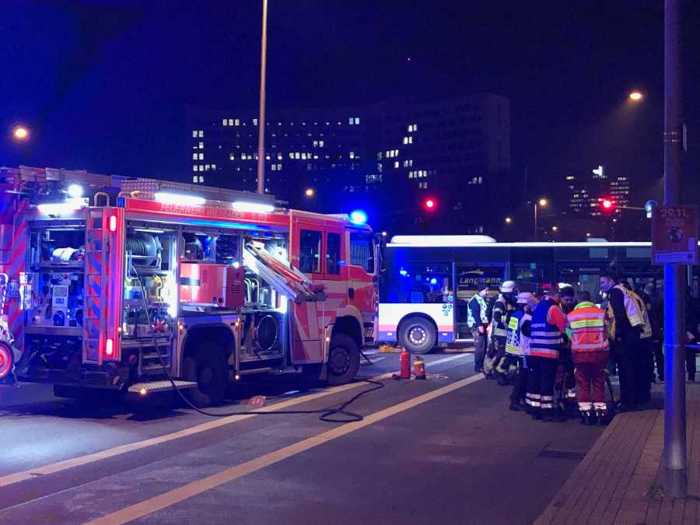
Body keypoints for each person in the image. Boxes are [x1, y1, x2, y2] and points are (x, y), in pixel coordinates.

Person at [601, 273, 644, 412]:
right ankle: (630, 399)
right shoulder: (624, 291)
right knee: (630, 369)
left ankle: (627, 402)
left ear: (611, 280)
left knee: (625, 371)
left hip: (625, 337)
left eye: (603, 282)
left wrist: (617, 336)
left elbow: (619, 315)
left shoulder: (615, 292)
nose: (601, 285)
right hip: (633, 334)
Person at [567, 291, 610, 425]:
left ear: (578, 300)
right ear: (590, 299)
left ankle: (585, 414)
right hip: (599, 353)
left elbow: (569, 334)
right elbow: (607, 331)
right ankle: (600, 413)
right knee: (598, 382)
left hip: (579, 354)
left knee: (583, 383)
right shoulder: (601, 313)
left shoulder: (571, 316)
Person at [528, 286, 567, 421]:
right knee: (547, 381)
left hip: (534, 351)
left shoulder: (538, 307)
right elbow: (564, 327)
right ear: (556, 296)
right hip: (549, 351)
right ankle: (547, 411)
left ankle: (534, 409)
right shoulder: (554, 308)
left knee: (535, 380)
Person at [622, 281, 653, 405]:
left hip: (640, 338)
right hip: (644, 338)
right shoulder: (638, 298)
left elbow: (634, 321)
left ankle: (639, 398)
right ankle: (643, 396)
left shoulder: (631, 299)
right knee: (643, 370)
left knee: (638, 369)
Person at [504, 292, 536, 410]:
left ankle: (518, 398)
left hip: (514, 349)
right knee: (523, 376)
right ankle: (515, 399)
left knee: (522, 375)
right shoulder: (525, 317)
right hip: (523, 351)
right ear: (526, 305)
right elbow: (528, 334)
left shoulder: (515, 314)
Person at [490, 280, 516, 382]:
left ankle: (495, 370)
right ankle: (498, 371)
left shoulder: (508, 301)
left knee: (502, 353)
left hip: (505, 333)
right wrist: (507, 324)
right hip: (501, 333)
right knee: (504, 353)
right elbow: (497, 317)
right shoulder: (501, 302)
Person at [467, 286, 489, 374]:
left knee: (483, 346)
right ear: (481, 290)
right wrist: (480, 325)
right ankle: (478, 367)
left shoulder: (481, 299)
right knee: (480, 347)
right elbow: (475, 314)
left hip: (482, 325)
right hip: (476, 326)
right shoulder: (474, 300)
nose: (487, 292)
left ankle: (480, 366)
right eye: (486, 290)